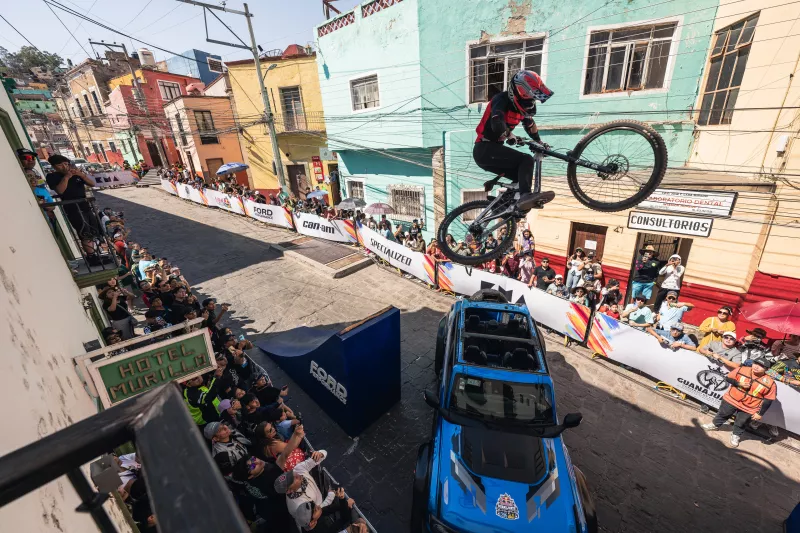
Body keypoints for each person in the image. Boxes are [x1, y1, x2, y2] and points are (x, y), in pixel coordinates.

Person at [473, 70, 555, 212]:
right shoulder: (501, 99)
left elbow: (529, 125)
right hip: (484, 148)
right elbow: (497, 122)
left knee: (521, 176)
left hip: (492, 151)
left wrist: (539, 142)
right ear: (516, 92)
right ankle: (524, 196)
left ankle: (503, 206)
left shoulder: (522, 109)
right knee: (526, 160)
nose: (529, 102)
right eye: (527, 97)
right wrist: (509, 134)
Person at [701, 358, 777, 447]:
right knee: (723, 414)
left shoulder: (770, 383)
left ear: (767, 369)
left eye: (761, 366)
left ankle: (736, 435)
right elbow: (728, 378)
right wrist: (738, 383)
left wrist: (760, 413)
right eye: (756, 363)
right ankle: (715, 424)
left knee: (742, 422)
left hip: (750, 406)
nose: (757, 367)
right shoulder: (742, 369)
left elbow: (769, 400)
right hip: (731, 399)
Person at [274, 449, 332, 530]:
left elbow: (324, 453)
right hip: (321, 506)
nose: (296, 474)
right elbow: (306, 523)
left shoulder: (297, 470)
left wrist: (320, 454)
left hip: (320, 493)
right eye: (293, 479)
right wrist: (314, 519)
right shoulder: (298, 506)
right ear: (289, 490)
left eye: (291, 474)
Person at [46, 154, 98, 236]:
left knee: (95, 230)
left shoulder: (76, 174)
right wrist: (66, 177)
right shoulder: (52, 176)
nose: (64, 167)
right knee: (85, 233)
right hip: (71, 207)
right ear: (54, 166)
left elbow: (92, 184)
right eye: (60, 165)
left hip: (85, 205)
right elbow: (60, 191)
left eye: (66, 164)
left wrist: (82, 175)